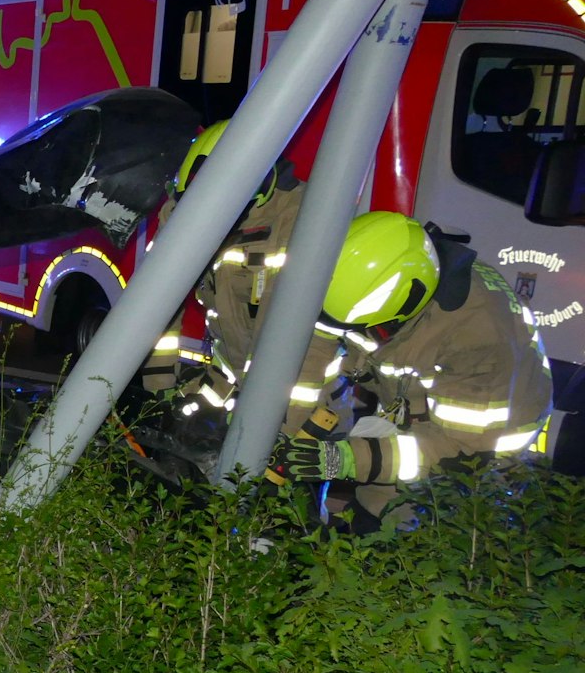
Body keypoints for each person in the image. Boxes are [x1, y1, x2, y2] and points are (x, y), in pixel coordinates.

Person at [270, 210, 552, 526]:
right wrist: (282, 435)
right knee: (369, 510)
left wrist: (346, 460)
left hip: (475, 465)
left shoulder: (477, 337)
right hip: (413, 417)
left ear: (406, 305)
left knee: (399, 529)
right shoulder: (369, 275)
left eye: (367, 328)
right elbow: (314, 360)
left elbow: (459, 449)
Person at [141, 119, 338, 444]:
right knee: (178, 435)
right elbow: (156, 301)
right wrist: (158, 390)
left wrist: (253, 425)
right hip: (231, 369)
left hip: (301, 387)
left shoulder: (302, 222)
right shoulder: (181, 211)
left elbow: (293, 341)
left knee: (269, 463)